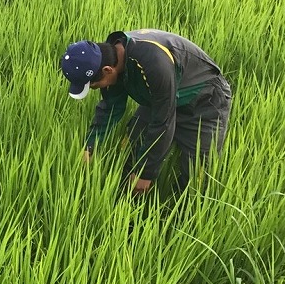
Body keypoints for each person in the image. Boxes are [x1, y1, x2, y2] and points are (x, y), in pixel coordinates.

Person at [60, 29, 232, 196]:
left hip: (204, 100)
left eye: (93, 85)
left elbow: (163, 122)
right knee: (128, 149)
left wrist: (146, 173)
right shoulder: (110, 58)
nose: (95, 88)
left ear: (107, 70)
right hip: (162, 96)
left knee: (197, 177)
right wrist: (90, 146)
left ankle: (182, 218)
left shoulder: (152, 62)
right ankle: (123, 205)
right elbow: (110, 108)